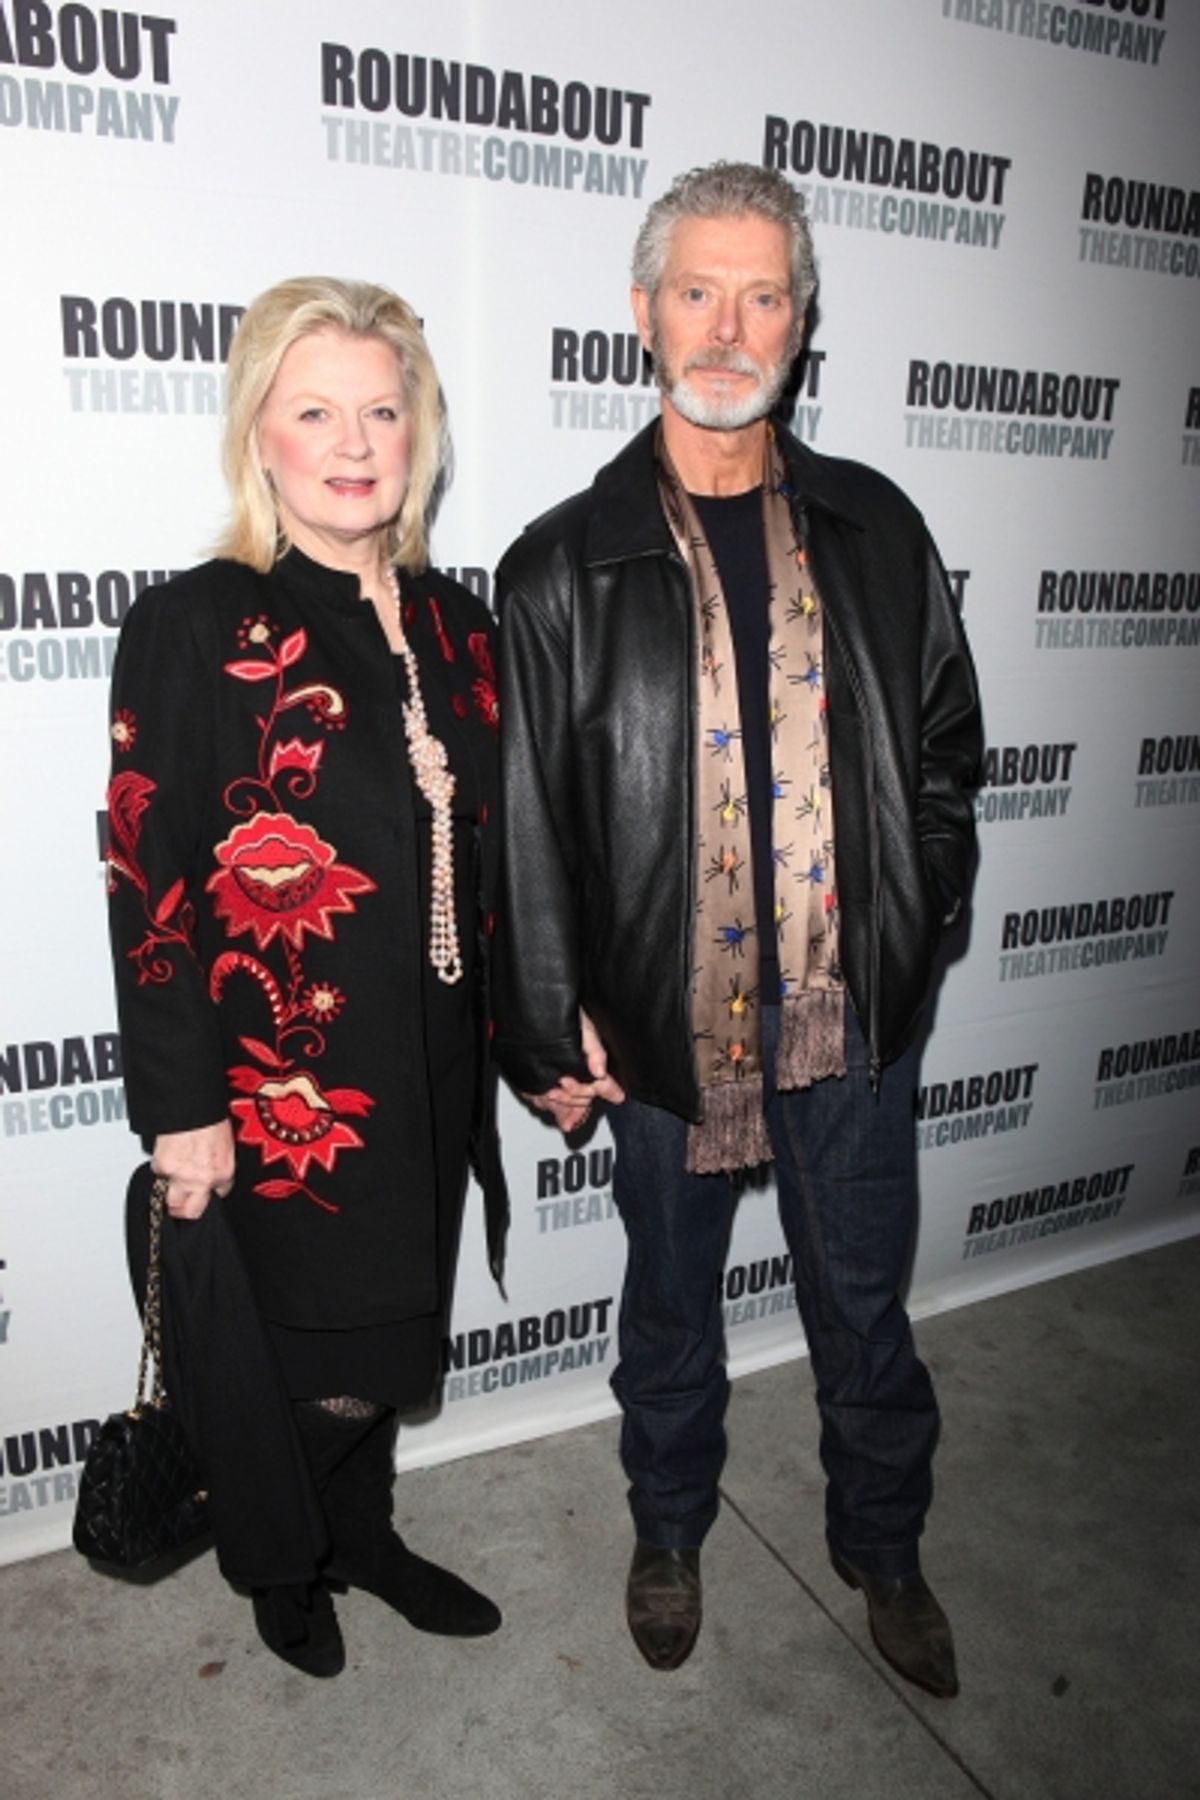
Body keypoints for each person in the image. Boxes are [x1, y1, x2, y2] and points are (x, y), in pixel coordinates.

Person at [495, 163, 982, 1696]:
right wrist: (554, 1012)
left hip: (848, 1017)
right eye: (697, 291)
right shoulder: (558, 566)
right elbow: (525, 830)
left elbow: (946, 751)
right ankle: (669, 1527)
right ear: (643, 315)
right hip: (653, 1022)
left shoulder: (877, 530)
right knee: (668, 1302)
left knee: (861, 1300)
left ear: (802, 318)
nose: (728, 324)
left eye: (762, 293)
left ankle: (884, 1544)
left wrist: (913, 926)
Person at [106, 277, 507, 1677]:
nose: (354, 442)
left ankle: (367, 1536)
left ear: (421, 433)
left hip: (434, 1070)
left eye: (382, 411)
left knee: (390, 1345)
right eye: (315, 411)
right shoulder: (201, 621)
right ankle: (284, 1562)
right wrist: (181, 1108)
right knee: (303, 1356)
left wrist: (547, 1036)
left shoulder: (464, 628)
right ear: (258, 438)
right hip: (285, 1092)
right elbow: (145, 881)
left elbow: (501, 858)